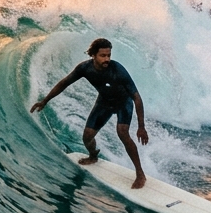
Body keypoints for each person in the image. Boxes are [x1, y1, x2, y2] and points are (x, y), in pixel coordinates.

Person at [31, 38, 149, 188]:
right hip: (104, 103)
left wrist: (141, 126)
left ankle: (140, 174)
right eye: (102, 56)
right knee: (87, 136)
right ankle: (93, 156)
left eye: (109, 55)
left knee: (122, 133)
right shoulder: (85, 68)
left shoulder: (118, 70)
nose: (107, 59)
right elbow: (64, 83)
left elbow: (136, 97)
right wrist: (45, 100)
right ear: (93, 55)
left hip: (123, 103)